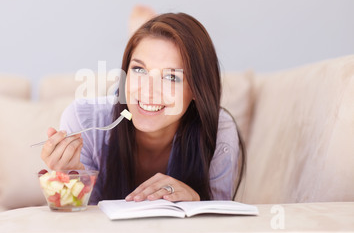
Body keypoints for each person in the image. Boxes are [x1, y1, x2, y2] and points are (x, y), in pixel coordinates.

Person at [41, 12, 245, 205]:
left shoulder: (219, 130)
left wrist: (195, 202)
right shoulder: (83, 120)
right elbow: (75, 224)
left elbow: (220, 224)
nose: (149, 91)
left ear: (196, 90)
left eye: (171, 76)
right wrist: (73, 180)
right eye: (139, 69)